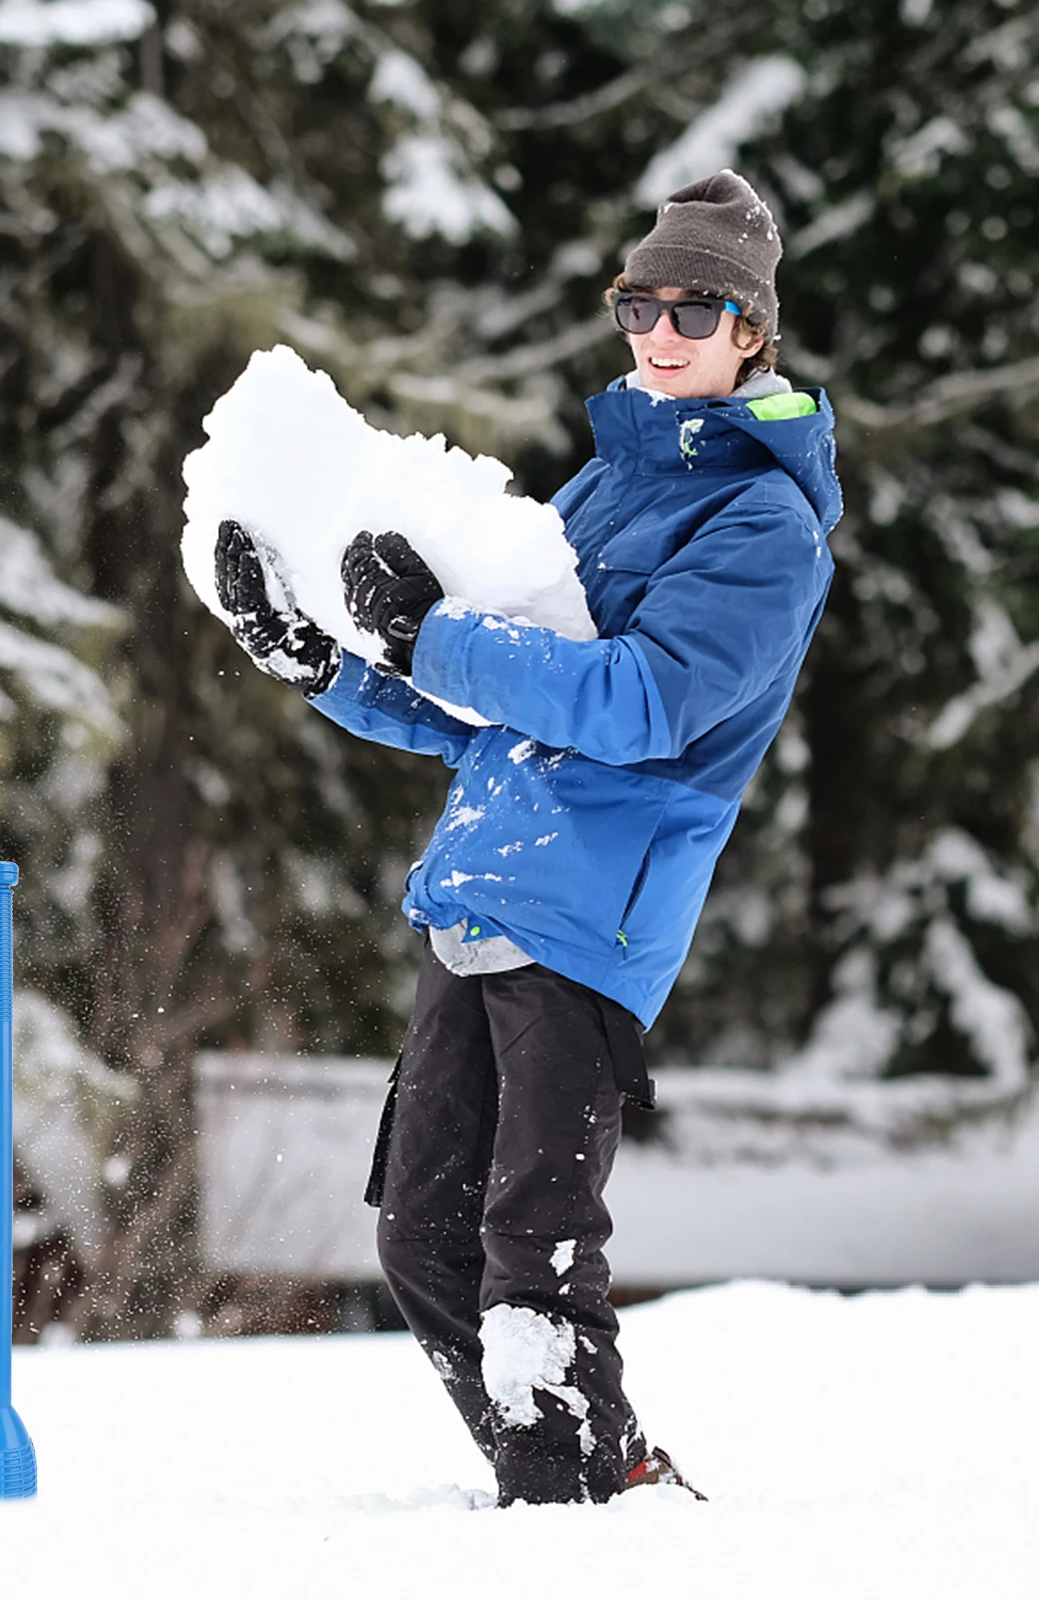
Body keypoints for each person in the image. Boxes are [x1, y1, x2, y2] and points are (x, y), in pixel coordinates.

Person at [213, 170, 842, 1505]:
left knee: (529, 1253)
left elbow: (641, 700)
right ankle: (596, 1474)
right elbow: (482, 720)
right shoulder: (601, 492)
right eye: (641, 305)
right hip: (481, 892)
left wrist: (430, 634)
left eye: (697, 309)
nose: (661, 332)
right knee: (422, 1241)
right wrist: (327, 667)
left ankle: (574, 1526)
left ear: (752, 334)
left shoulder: (764, 528)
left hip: (588, 921)